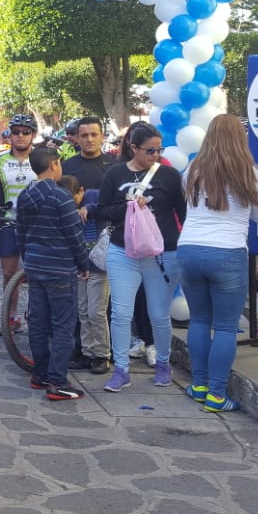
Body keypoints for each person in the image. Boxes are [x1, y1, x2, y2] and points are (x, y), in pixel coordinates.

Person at [179, 115, 258, 412]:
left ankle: (199, 385)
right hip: (227, 252)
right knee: (227, 328)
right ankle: (217, 395)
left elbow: (189, 204)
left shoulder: (192, 169)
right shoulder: (249, 173)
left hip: (189, 249)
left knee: (200, 321)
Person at [96, 121, 187, 393]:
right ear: (133, 148)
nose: (156, 155)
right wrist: (129, 208)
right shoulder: (114, 174)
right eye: (150, 150)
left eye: (159, 150)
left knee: (159, 314)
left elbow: (183, 214)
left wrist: (184, 245)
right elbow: (103, 210)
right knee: (121, 313)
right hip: (122, 250)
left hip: (161, 253)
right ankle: (121, 369)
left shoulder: (169, 177)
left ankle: (162, 363)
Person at [16, 147, 90, 401]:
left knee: (38, 322)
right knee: (62, 326)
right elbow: (74, 235)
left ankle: (41, 374)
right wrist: (84, 265)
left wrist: (29, 260)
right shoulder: (61, 197)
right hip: (60, 268)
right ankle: (58, 382)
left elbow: (21, 233)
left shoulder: (25, 195)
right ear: (55, 165)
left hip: (35, 267)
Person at [61, 116, 118, 374]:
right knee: (80, 307)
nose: (90, 140)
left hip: (105, 245)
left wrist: (93, 207)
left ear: (102, 136)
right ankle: (83, 351)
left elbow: (120, 204)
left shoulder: (114, 167)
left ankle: (102, 354)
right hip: (75, 244)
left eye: (94, 134)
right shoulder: (68, 165)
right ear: (76, 137)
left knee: (99, 308)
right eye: (84, 135)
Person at [0, 114, 38, 331]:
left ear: (33, 135)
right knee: (9, 273)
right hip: (8, 221)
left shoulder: (43, 158)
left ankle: (38, 315)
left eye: (25, 132)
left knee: (36, 272)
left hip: (37, 223)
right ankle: (12, 315)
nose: (20, 136)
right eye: (15, 132)